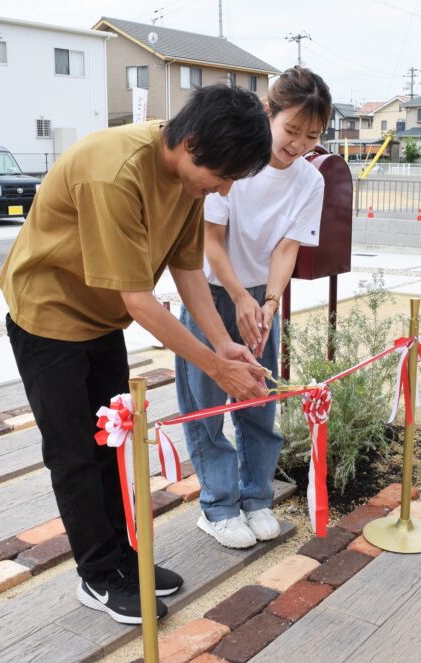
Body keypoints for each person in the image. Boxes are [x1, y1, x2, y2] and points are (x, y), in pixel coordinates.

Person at [0, 85, 272, 625]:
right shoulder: (115, 171)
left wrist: (223, 343)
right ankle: (97, 576)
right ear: (189, 143)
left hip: (100, 318)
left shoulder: (188, 186)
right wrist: (214, 368)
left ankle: (124, 561)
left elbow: (187, 268)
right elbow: (140, 300)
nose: (223, 187)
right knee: (75, 451)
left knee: (115, 444)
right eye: (223, 175)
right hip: (48, 316)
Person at [175, 67, 332, 549]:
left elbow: (287, 248)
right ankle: (218, 507)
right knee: (206, 406)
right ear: (270, 113)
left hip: (262, 299)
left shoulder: (310, 180)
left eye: (312, 136)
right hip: (214, 294)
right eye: (291, 130)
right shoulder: (237, 162)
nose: (298, 144)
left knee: (261, 403)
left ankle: (257, 497)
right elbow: (212, 241)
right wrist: (241, 297)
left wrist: (266, 301)